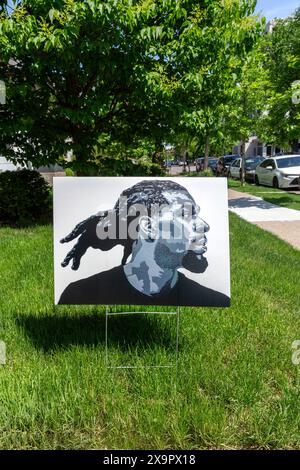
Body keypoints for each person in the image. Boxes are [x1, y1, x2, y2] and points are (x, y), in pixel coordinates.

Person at [58, 180, 230, 307]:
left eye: (196, 214)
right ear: (148, 227)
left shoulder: (214, 301)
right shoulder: (80, 296)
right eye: (185, 214)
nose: (204, 225)